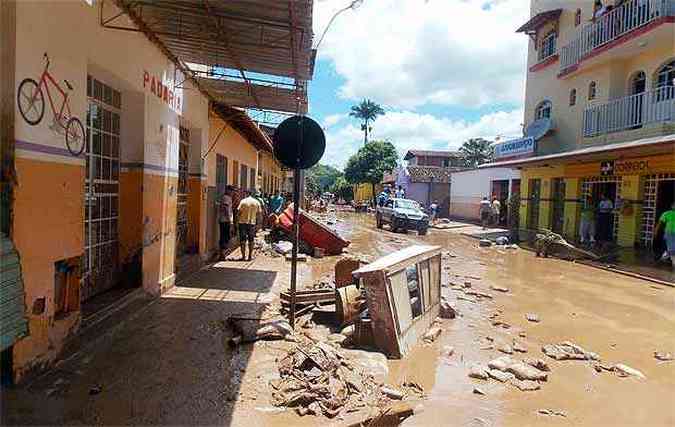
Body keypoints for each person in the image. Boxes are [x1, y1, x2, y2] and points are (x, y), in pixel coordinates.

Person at [237, 190, 262, 261]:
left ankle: (243, 256)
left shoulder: (243, 201)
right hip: (252, 224)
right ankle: (250, 256)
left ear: (246, 194)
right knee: (251, 240)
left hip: (242, 223)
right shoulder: (256, 202)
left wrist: (236, 222)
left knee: (242, 240)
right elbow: (259, 214)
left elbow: (239, 212)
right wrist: (258, 224)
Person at [655, 201, 675, 269]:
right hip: (669, 233)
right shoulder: (667, 213)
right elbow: (660, 223)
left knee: (671, 248)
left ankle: (663, 258)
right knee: (672, 248)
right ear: (672, 206)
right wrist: (656, 231)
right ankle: (674, 263)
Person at [217, 186, 234, 260]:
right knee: (225, 237)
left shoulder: (227, 197)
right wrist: (229, 219)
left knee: (225, 236)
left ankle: (223, 254)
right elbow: (226, 208)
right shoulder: (226, 198)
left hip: (225, 220)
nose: (232, 192)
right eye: (231, 191)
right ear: (228, 190)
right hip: (225, 220)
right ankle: (222, 254)